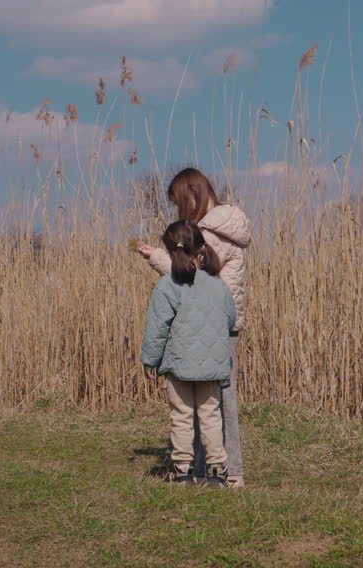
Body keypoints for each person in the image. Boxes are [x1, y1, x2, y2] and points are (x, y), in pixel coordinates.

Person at [137, 168, 253, 488]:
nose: (178, 211)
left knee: (212, 404)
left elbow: (189, 279)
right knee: (214, 402)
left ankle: (224, 472)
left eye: (178, 202)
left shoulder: (208, 231)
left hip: (209, 325)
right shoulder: (228, 225)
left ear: (191, 193)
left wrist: (159, 257)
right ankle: (210, 470)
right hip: (224, 322)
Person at [141, 219, 236, 486]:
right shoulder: (218, 285)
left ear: (171, 251)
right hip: (212, 367)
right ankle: (217, 471)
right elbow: (229, 319)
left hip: (180, 366)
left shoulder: (167, 286)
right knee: (210, 416)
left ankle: (182, 471)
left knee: (181, 417)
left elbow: (157, 327)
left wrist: (150, 361)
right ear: (200, 249)